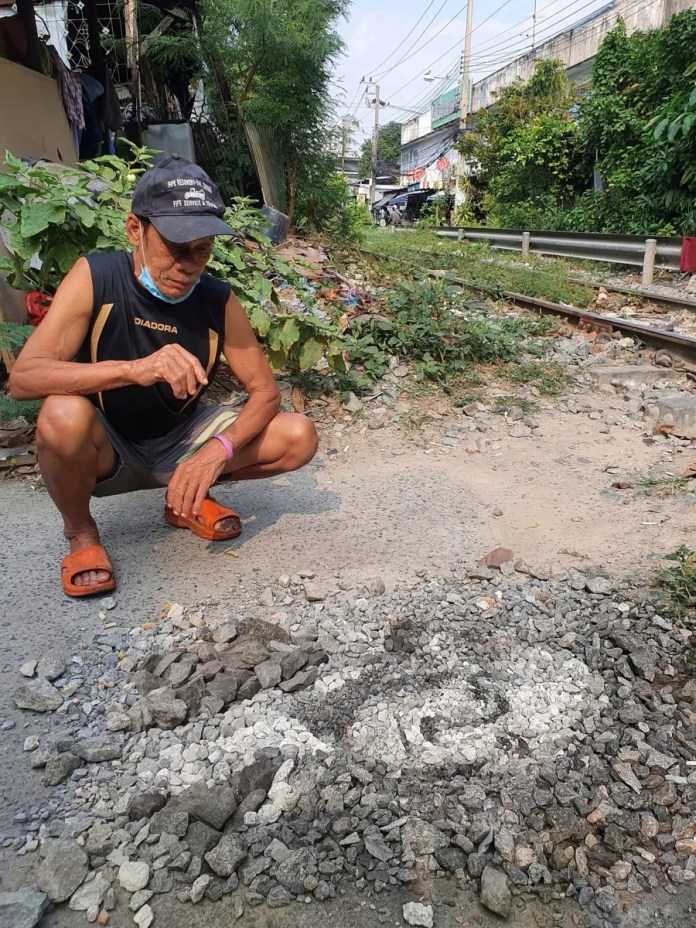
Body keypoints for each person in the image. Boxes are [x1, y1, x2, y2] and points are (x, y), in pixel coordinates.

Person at [9, 156, 319, 598]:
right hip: (108, 444)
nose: (188, 265)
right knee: (61, 414)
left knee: (299, 436)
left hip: (181, 440)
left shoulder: (216, 299)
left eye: (202, 249)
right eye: (175, 247)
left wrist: (216, 452)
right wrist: (135, 370)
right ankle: (81, 533)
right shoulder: (96, 277)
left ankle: (186, 499)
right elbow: (25, 378)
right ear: (135, 230)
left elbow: (265, 393)